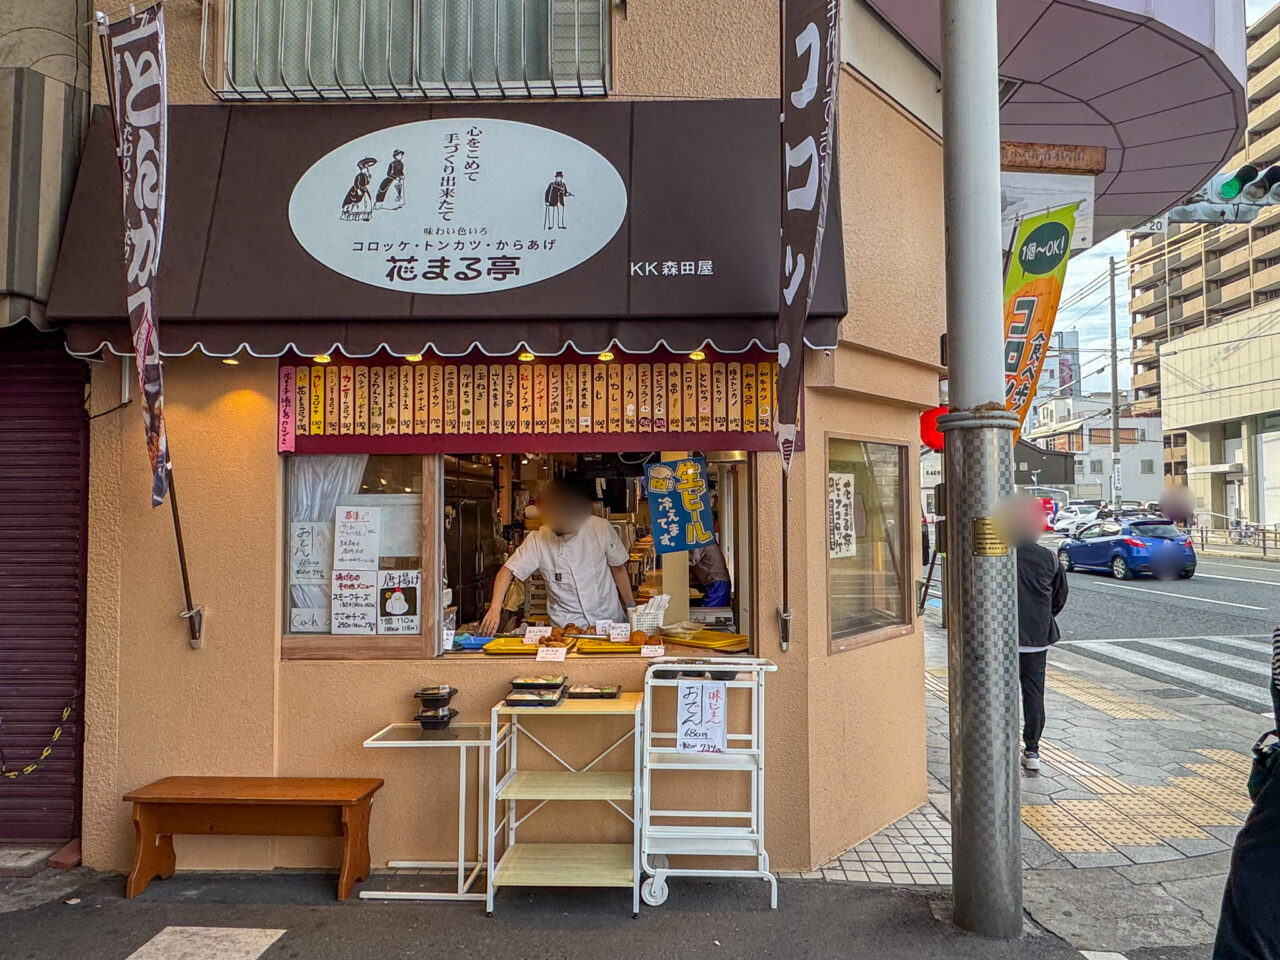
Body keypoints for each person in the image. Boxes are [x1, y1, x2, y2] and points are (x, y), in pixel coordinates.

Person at [479, 475, 633, 635]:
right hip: (567, 629)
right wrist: (495, 608)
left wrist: (631, 608)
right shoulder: (538, 539)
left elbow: (618, 570)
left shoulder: (600, 528)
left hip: (607, 623)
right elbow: (507, 570)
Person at [1010, 495, 1068, 772]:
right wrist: (1042, 619)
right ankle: (1032, 750)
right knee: (1034, 695)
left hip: (1001, 638)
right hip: (1036, 639)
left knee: (999, 692)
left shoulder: (999, 555)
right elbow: (1060, 597)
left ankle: (1000, 742)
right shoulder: (1048, 558)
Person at [689, 541, 730, 607]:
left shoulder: (701, 540)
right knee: (714, 613)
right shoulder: (707, 540)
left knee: (709, 614)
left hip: (717, 582)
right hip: (717, 581)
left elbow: (692, 559)